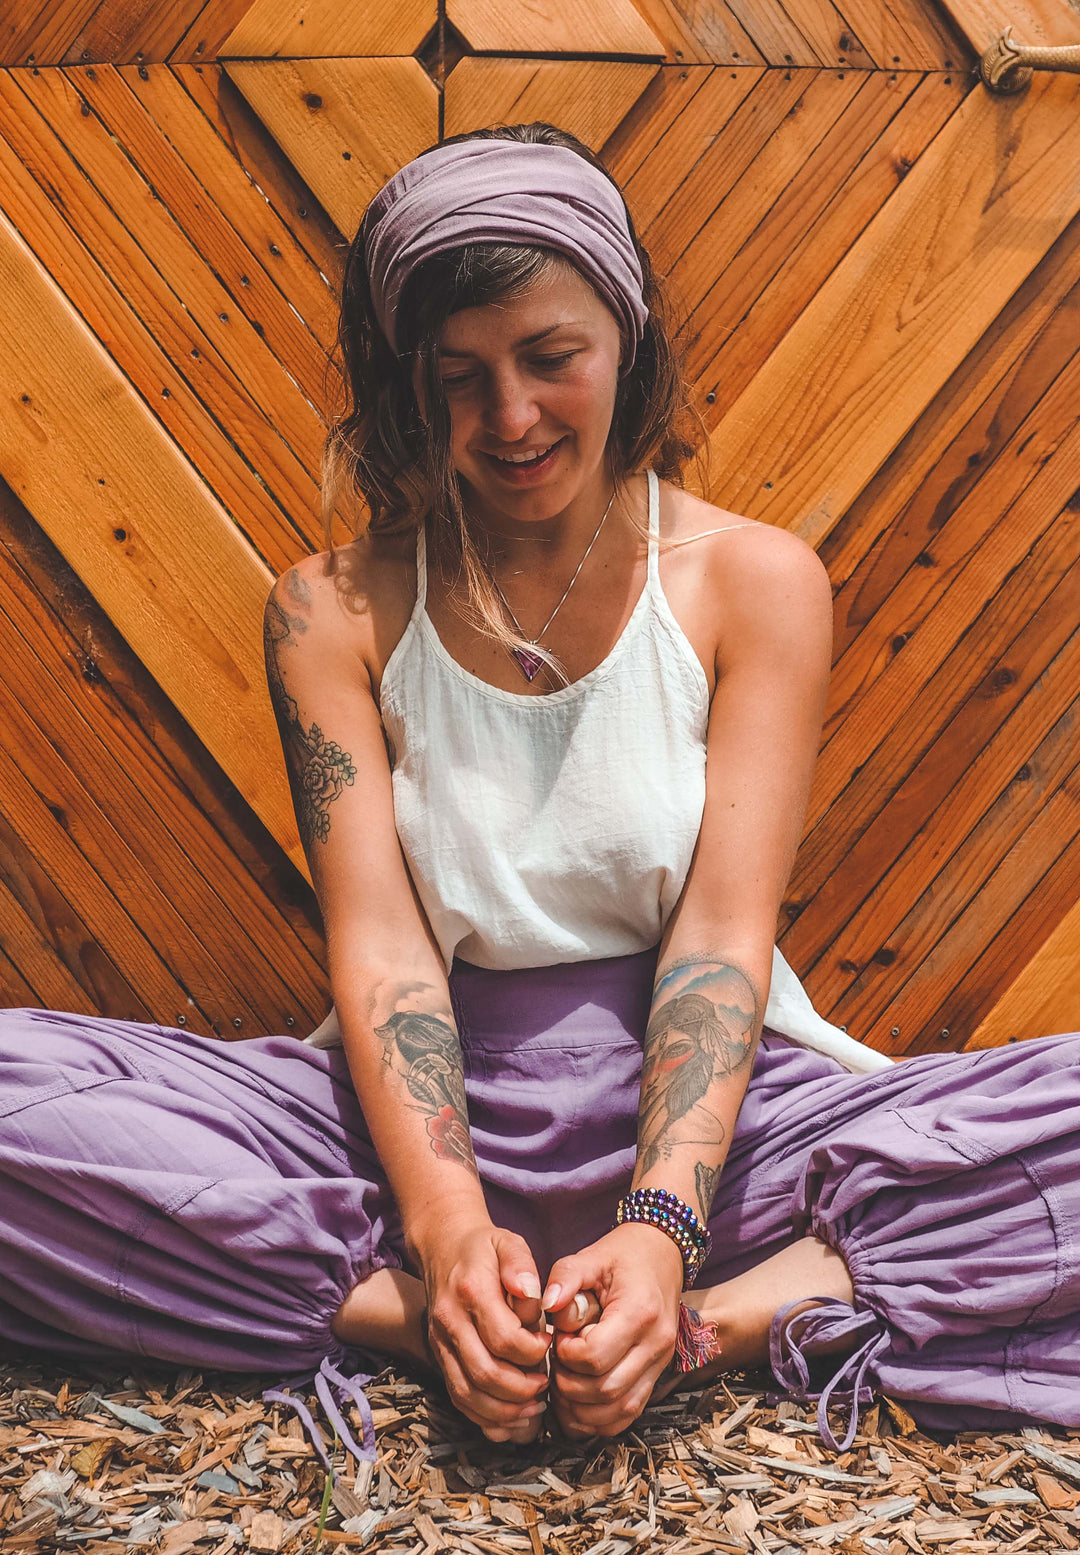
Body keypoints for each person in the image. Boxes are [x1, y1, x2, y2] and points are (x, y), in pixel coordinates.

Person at [2, 123, 1079, 1461]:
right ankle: (409, 1312)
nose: (509, 419)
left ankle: (718, 1320)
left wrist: (657, 1228)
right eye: (459, 378)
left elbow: (722, 940)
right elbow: (384, 950)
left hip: (720, 1135)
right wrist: (449, 1232)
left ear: (626, 339)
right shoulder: (326, 614)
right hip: (401, 1133)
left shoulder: (755, 586)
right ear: (409, 388)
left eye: (550, 359)